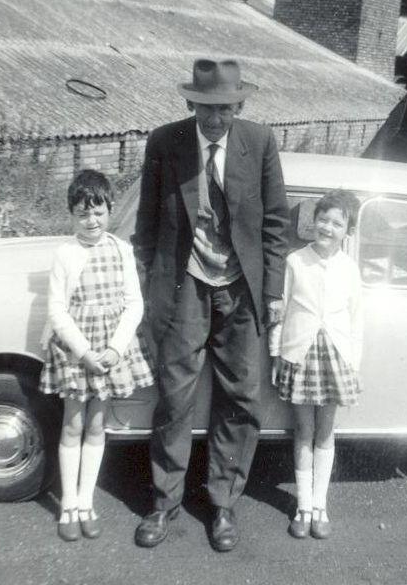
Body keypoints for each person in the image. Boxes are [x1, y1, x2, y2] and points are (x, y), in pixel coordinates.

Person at [132, 58, 289, 552]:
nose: (215, 118)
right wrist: (144, 290)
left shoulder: (260, 142)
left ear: (239, 106)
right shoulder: (165, 142)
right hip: (185, 286)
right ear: (190, 103)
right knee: (175, 396)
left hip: (242, 288)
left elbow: (276, 224)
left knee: (241, 398)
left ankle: (223, 504)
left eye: (224, 109)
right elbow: (147, 226)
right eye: (205, 107)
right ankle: (163, 503)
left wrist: (273, 291)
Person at [40, 169, 153, 542]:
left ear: (110, 210)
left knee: (96, 426)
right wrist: (85, 352)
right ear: (72, 215)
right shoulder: (64, 254)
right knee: (72, 424)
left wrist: (114, 349)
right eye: (83, 214)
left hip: (109, 352)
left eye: (99, 212)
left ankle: (87, 501)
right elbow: (57, 311)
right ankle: (68, 503)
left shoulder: (122, 250)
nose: (92, 221)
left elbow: (133, 305)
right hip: (78, 352)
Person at [269, 190, 363, 540]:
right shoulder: (296, 261)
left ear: (347, 231)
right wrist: (277, 354)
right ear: (313, 222)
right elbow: (280, 313)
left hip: (335, 356)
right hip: (300, 353)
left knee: (325, 432)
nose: (328, 227)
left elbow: (356, 320)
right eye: (323, 219)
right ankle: (303, 505)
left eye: (337, 223)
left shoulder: (349, 268)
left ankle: (321, 504)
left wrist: (353, 361)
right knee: (303, 432)